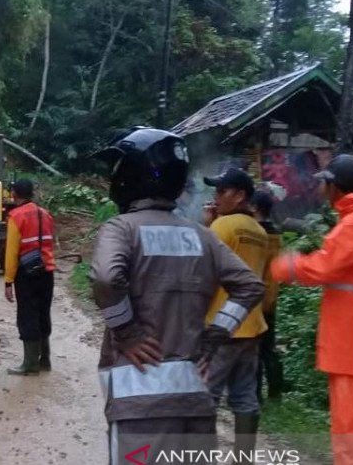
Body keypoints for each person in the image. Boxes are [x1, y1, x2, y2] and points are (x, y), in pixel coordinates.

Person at [90, 127, 264, 465]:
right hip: (194, 398)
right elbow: (250, 286)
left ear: (128, 175)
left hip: (139, 403)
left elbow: (106, 277)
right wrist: (215, 336)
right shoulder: (202, 235)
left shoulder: (122, 228)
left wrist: (126, 331)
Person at [270, 154, 353, 465]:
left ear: (335, 187)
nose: (320, 190)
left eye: (323, 184)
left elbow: (323, 267)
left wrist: (286, 266)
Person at [202, 168, 269, 461]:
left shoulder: (223, 226)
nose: (215, 198)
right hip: (252, 325)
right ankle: (244, 457)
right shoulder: (259, 231)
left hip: (222, 324)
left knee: (206, 396)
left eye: (221, 191)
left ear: (239, 195)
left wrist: (208, 227)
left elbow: (204, 273)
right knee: (244, 397)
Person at [3, 179, 56, 375]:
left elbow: (11, 252)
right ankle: (45, 360)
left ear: (14, 194)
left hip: (27, 274)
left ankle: (30, 364)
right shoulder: (46, 214)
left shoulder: (16, 216)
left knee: (28, 315)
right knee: (43, 313)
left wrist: (8, 280)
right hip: (47, 271)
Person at [250, 190, 286, 402]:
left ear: (254, 208)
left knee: (254, 350)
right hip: (271, 296)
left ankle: (255, 395)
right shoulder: (276, 232)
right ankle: (275, 391)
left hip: (255, 298)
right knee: (269, 348)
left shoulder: (256, 234)